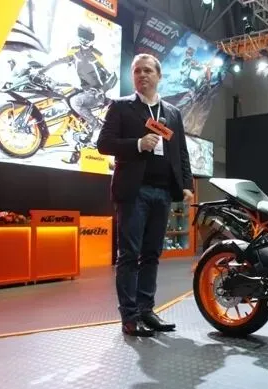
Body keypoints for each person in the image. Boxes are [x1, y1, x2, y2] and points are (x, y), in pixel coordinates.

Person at [97, 53, 194, 337]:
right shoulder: (120, 106)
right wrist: (138, 144)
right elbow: (104, 144)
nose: (142, 75)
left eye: (148, 70)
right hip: (133, 191)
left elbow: (181, 152)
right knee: (129, 255)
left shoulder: (172, 113)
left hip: (163, 192)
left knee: (152, 254)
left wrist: (186, 184)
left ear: (159, 76)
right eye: (137, 71)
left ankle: (146, 310)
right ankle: (129, 317)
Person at [35, 25, 117, 164]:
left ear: (92, 40)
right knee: (69, 107)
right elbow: (58, 61)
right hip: (84, 91)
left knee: (75, 102)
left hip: (96, 94)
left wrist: (101, 90)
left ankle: (96, 126)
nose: (84, 41)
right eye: (82, 38)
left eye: (87, 39)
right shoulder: (74, 52)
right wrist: (41, 71)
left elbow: (113, 76)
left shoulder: (97, 55)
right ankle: (76, 151)